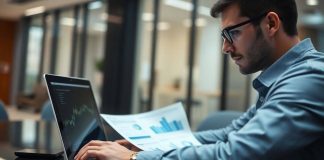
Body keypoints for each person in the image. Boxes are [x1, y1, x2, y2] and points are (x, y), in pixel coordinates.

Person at [74, 0, 324, 159]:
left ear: (270, 23)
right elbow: (229, 135)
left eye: (233, 33)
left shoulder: (309, 77)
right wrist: (149, 146)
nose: (225, 48)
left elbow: (236, 153)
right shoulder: (281, 79)